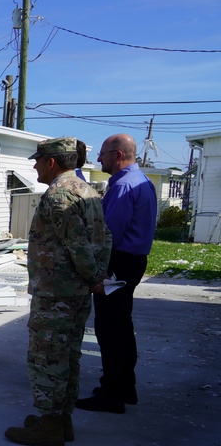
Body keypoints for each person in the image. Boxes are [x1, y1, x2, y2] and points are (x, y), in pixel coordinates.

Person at [5, 137, 111, 446]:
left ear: (52, 162)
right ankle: (61, 418)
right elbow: (106, 239)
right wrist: (96, 277)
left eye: (38, 160)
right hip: (74, 292)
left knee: (47, 356)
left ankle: (50, 424)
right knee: (68, 356)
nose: (35, 165)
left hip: (56, 293)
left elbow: (76, 244)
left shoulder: (59, 194)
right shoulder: (87, 190)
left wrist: (93, 277)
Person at [75, 133, 158, 414]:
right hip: (132, 261)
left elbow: (108, 235)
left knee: (109, 329)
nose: (99, 159)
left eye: (103, 154)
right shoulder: (141, 181)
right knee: (122, 325)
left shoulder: (124, 186)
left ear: (118, 155)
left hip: (118, 263)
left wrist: (94, 270)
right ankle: (125, 386)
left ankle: (112, 394)